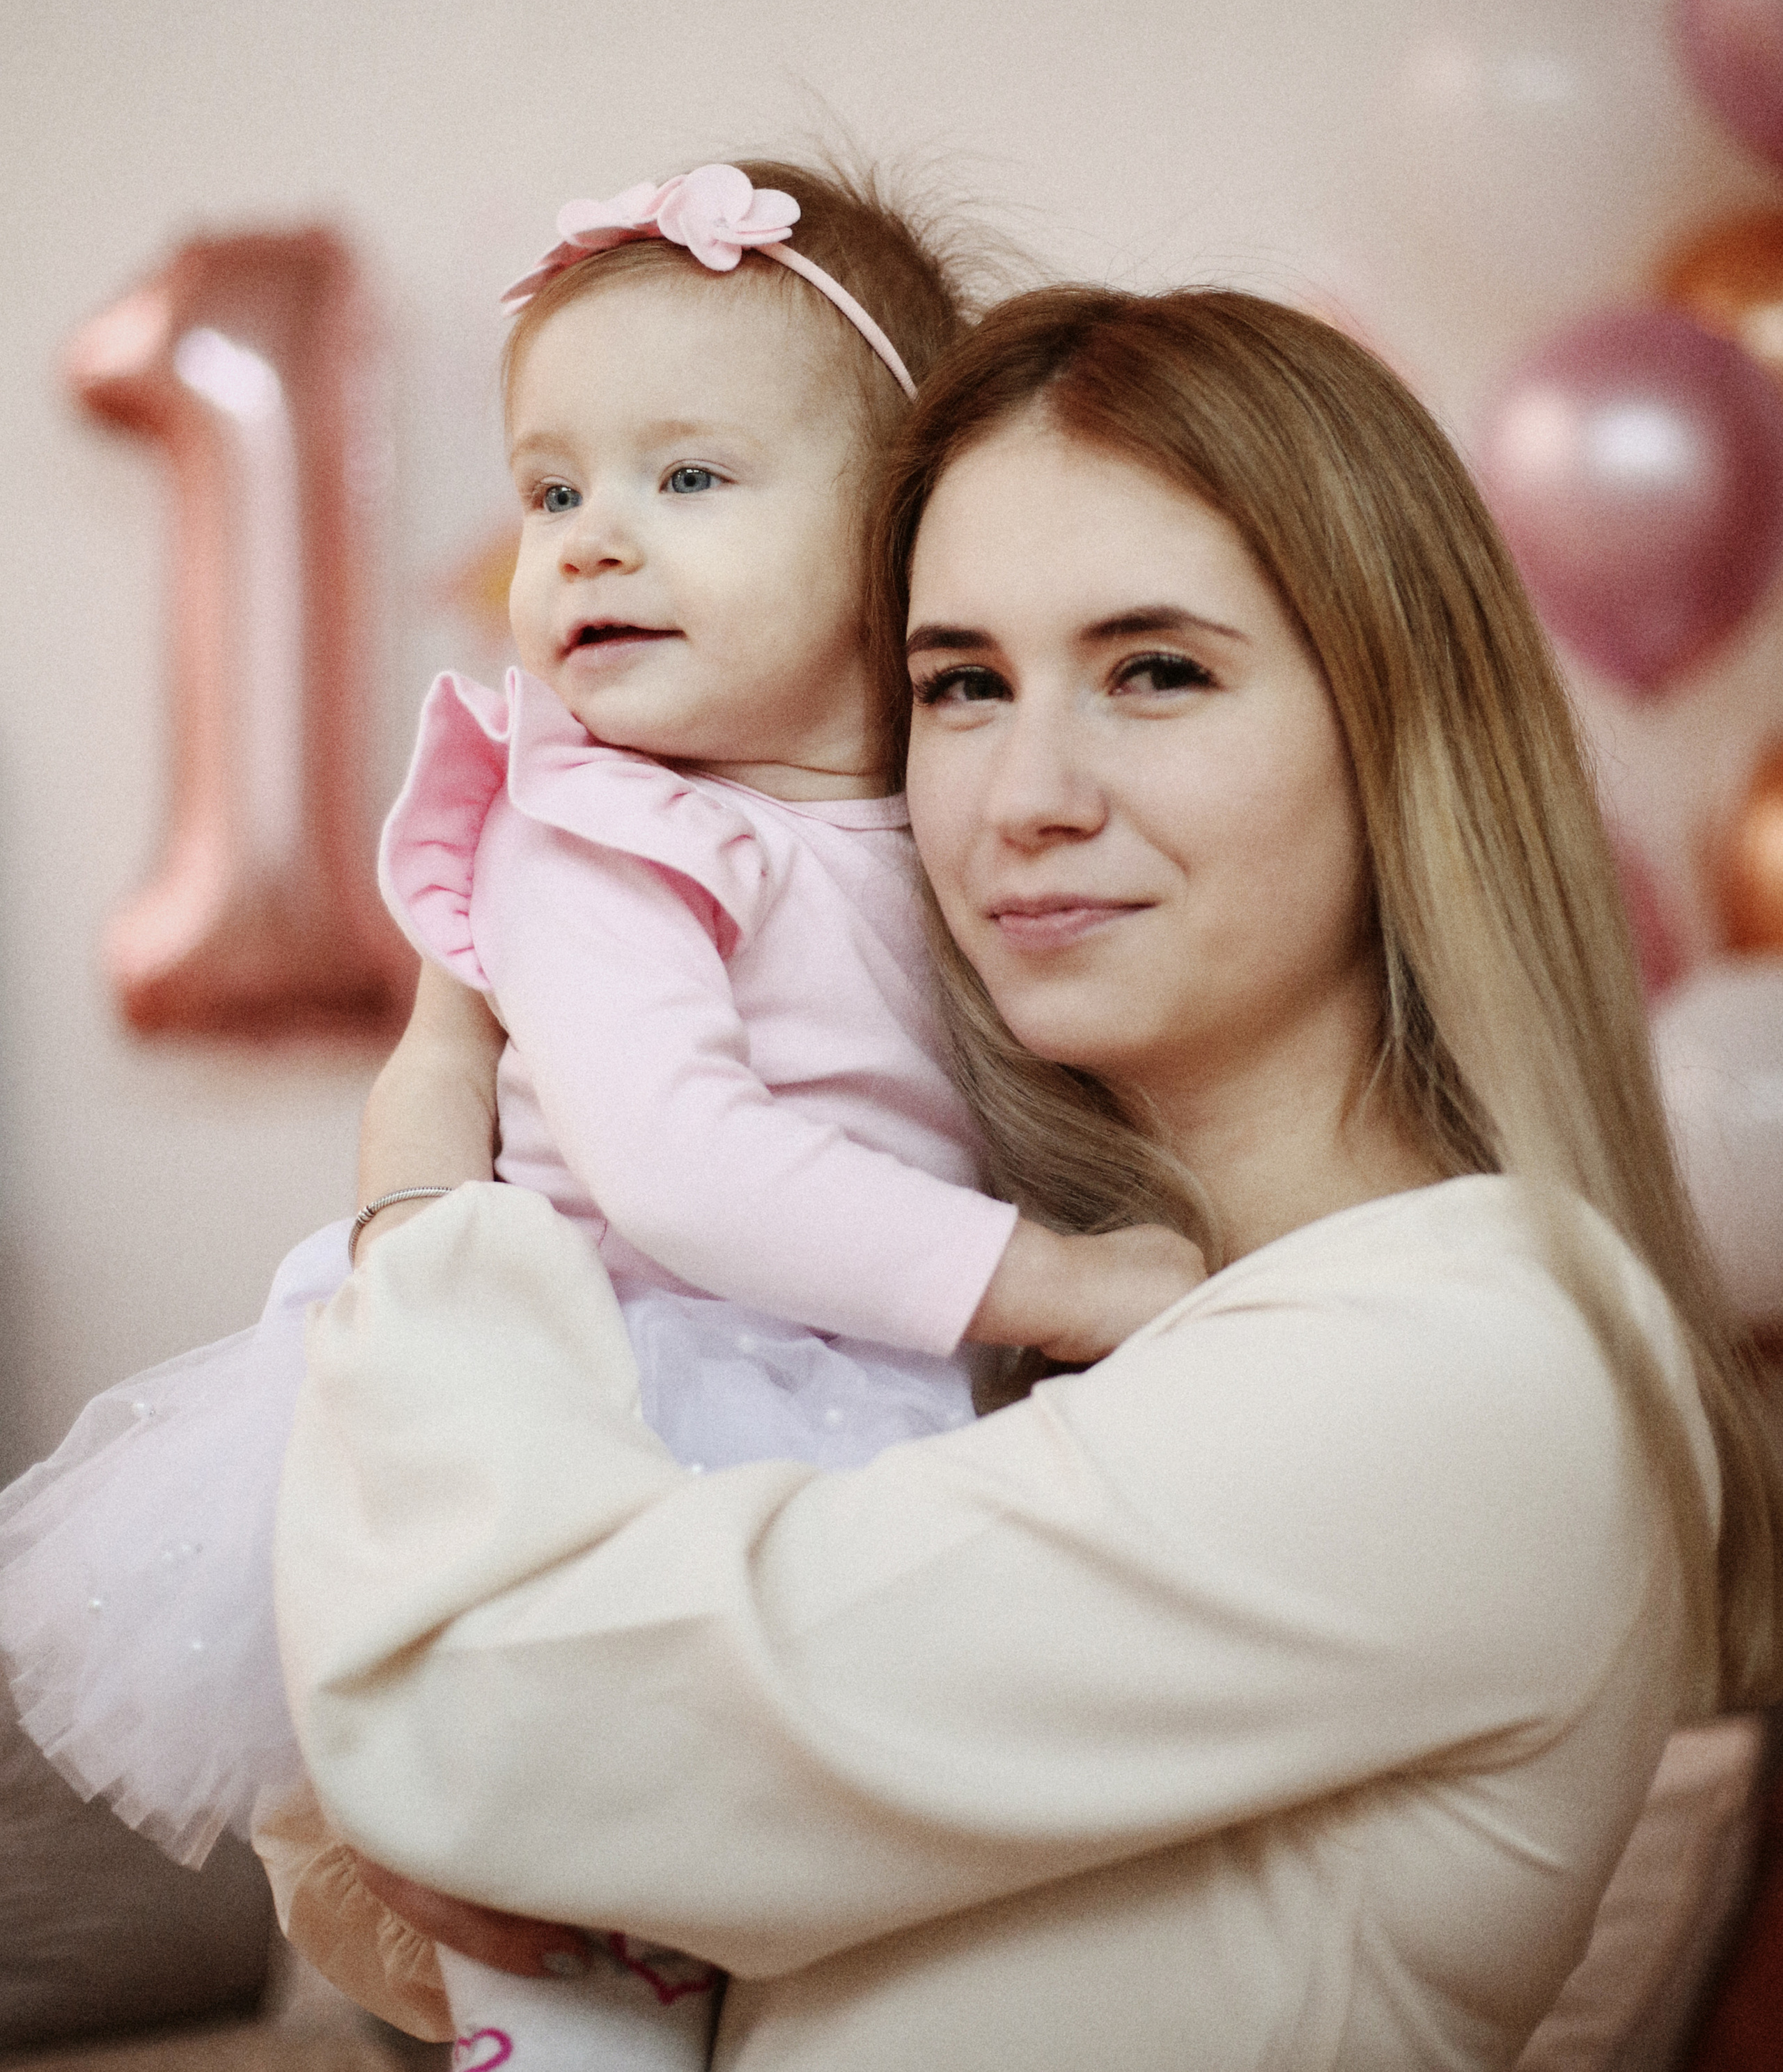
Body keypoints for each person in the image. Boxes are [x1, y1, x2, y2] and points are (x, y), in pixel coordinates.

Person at [274, 284, 1783, 2071]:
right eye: (960, 685)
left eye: (1155, 670)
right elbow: (498, 1865)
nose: (1024, 796)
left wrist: (430, 1198)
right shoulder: (1014, 1331)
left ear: (1398, 727)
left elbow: (471, 1736)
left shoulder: (1470, 1359)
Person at [0, 171, 1201, 2072]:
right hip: (614, 1411)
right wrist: (1054, 1279)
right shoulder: (605, 834)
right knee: (583, 1967)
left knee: (819, 1951)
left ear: (903, 533)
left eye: (689, 480)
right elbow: (682, 1167)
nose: (591, 545)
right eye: (553, 490)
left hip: (842, 1396)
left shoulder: (941, 813)